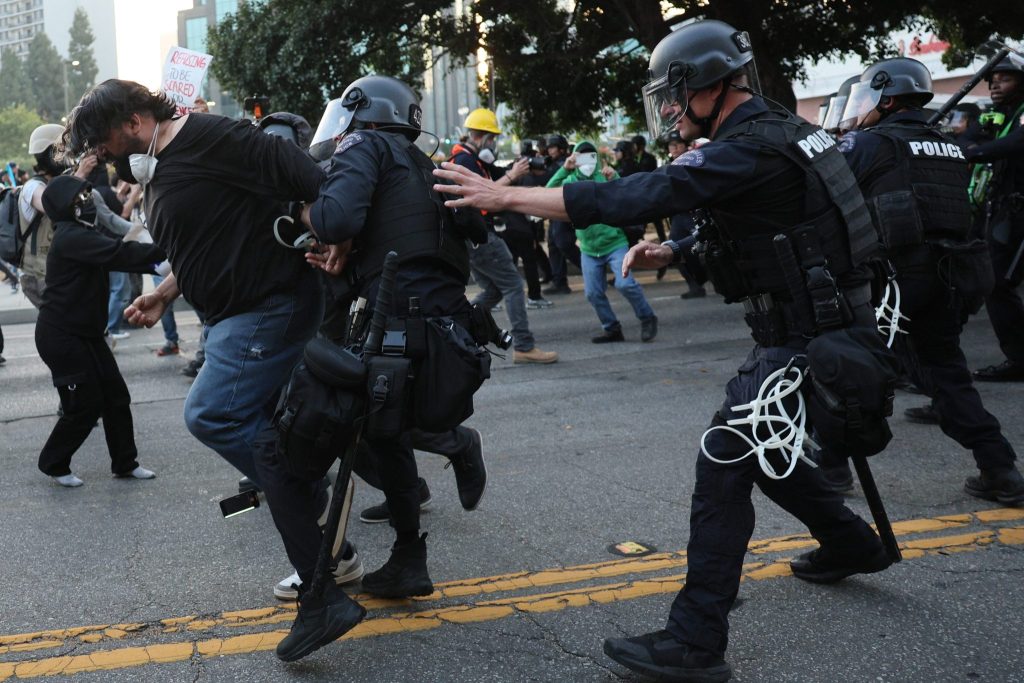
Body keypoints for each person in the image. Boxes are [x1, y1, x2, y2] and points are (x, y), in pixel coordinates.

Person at [434, 20, 893, 682]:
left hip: (810, 337)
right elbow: (774, 219)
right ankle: (852, 542)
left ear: (704, 85)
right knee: (763, 451)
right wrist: (675, 249)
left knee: (725, 460)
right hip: (818, 327)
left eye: (673, 96)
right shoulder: (777, 132)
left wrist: (504, 194)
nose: (670, 111)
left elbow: (633, 194)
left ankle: (696, 639)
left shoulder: (748, 148)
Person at [60, 79, 353, 644]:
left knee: (214, 414)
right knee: (267, 437)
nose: (110, 161)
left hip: (270, 304)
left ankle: (314, 529)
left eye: (107, 146)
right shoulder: (164, 164)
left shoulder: (216, 136)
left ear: (134, 122)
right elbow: (215, 236)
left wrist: (336, 232)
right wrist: (167, 292)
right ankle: (327, 556)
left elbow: (313, 181)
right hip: (232, 315)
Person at [279, 75, 492, 658]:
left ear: (362, 114)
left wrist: (304, 209)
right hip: (443, 328)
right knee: (382, 430)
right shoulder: (421, 164)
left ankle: (382, 558)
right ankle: (410, 555)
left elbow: (337, 218)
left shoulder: (364, 147)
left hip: (399, 322)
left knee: (372, 429)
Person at [831, 57, 1024, 505]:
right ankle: (999, 468)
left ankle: (831, 468)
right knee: (947, 372)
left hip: (891, 278)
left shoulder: (868, 143)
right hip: (950, 275)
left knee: (842, 365)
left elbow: (823, 194)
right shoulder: (948, 144)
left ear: (888, 97)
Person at [34, 175, 165, 486]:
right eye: (81, 199)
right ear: (65, 207)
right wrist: (165, 254)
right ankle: (53, 462)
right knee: (85, 404)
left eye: (88, 197)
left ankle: (125, 463)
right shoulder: (71, 237)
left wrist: (159, 264)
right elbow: (121, 254)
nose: (88, 203)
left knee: (116, 398)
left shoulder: (81, 232)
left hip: (85, 333)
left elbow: (120, 254)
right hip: (61, 335)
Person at [450, 109, 558, 364]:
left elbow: (498, 178)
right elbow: (480, 195)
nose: (493, 144)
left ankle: (455, 331)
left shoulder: (476, 160)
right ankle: (524, 346)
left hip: (475, 238)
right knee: (513, 286)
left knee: (493, 291)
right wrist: (512, 175)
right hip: (481, 237)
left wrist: (518, 169)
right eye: (492, 138)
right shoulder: (464, 161)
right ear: (480, 137)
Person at [546, 140, 658, 343]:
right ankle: (612, 328)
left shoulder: (605, 178)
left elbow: (628, 196)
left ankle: (647, 317)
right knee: (593, 293)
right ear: (574, 157)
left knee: (625, 285)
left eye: (591, 155)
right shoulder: (569, 182)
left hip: (615, 243)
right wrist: (564, 169)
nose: (588, 160)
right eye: (582, 156)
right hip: (589, 249)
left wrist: (616, 177)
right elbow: (547, 192)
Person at [964, 57, 1024, 382]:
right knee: (995, 283)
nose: (996, 85)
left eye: (1006, 78)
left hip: (1018, 210)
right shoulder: (995, 116)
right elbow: (965, 139)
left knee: (999, 283)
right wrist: (969, 146)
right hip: (1001, 209)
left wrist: (977, 151)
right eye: (993, 79)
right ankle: (1019, 357)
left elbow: (1016, 142)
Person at [18, 124, 67, 308]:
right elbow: (52, 206)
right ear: (49, 154)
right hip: (38, 275)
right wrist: (80, 174)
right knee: (61, 326)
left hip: (53, 271)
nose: (66, 157)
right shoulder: (33, 187)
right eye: (61, 151)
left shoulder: (54, 182)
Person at [541, 134, 580, 296]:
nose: (549, 150)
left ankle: (593, 269)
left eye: (553, 147)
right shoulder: (551, 163)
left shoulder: (568, 164)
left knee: (564, 243)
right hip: (552, 208)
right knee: (553, 244)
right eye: (548, 148)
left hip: (564, 208)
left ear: (562, 148)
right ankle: (560, 282)